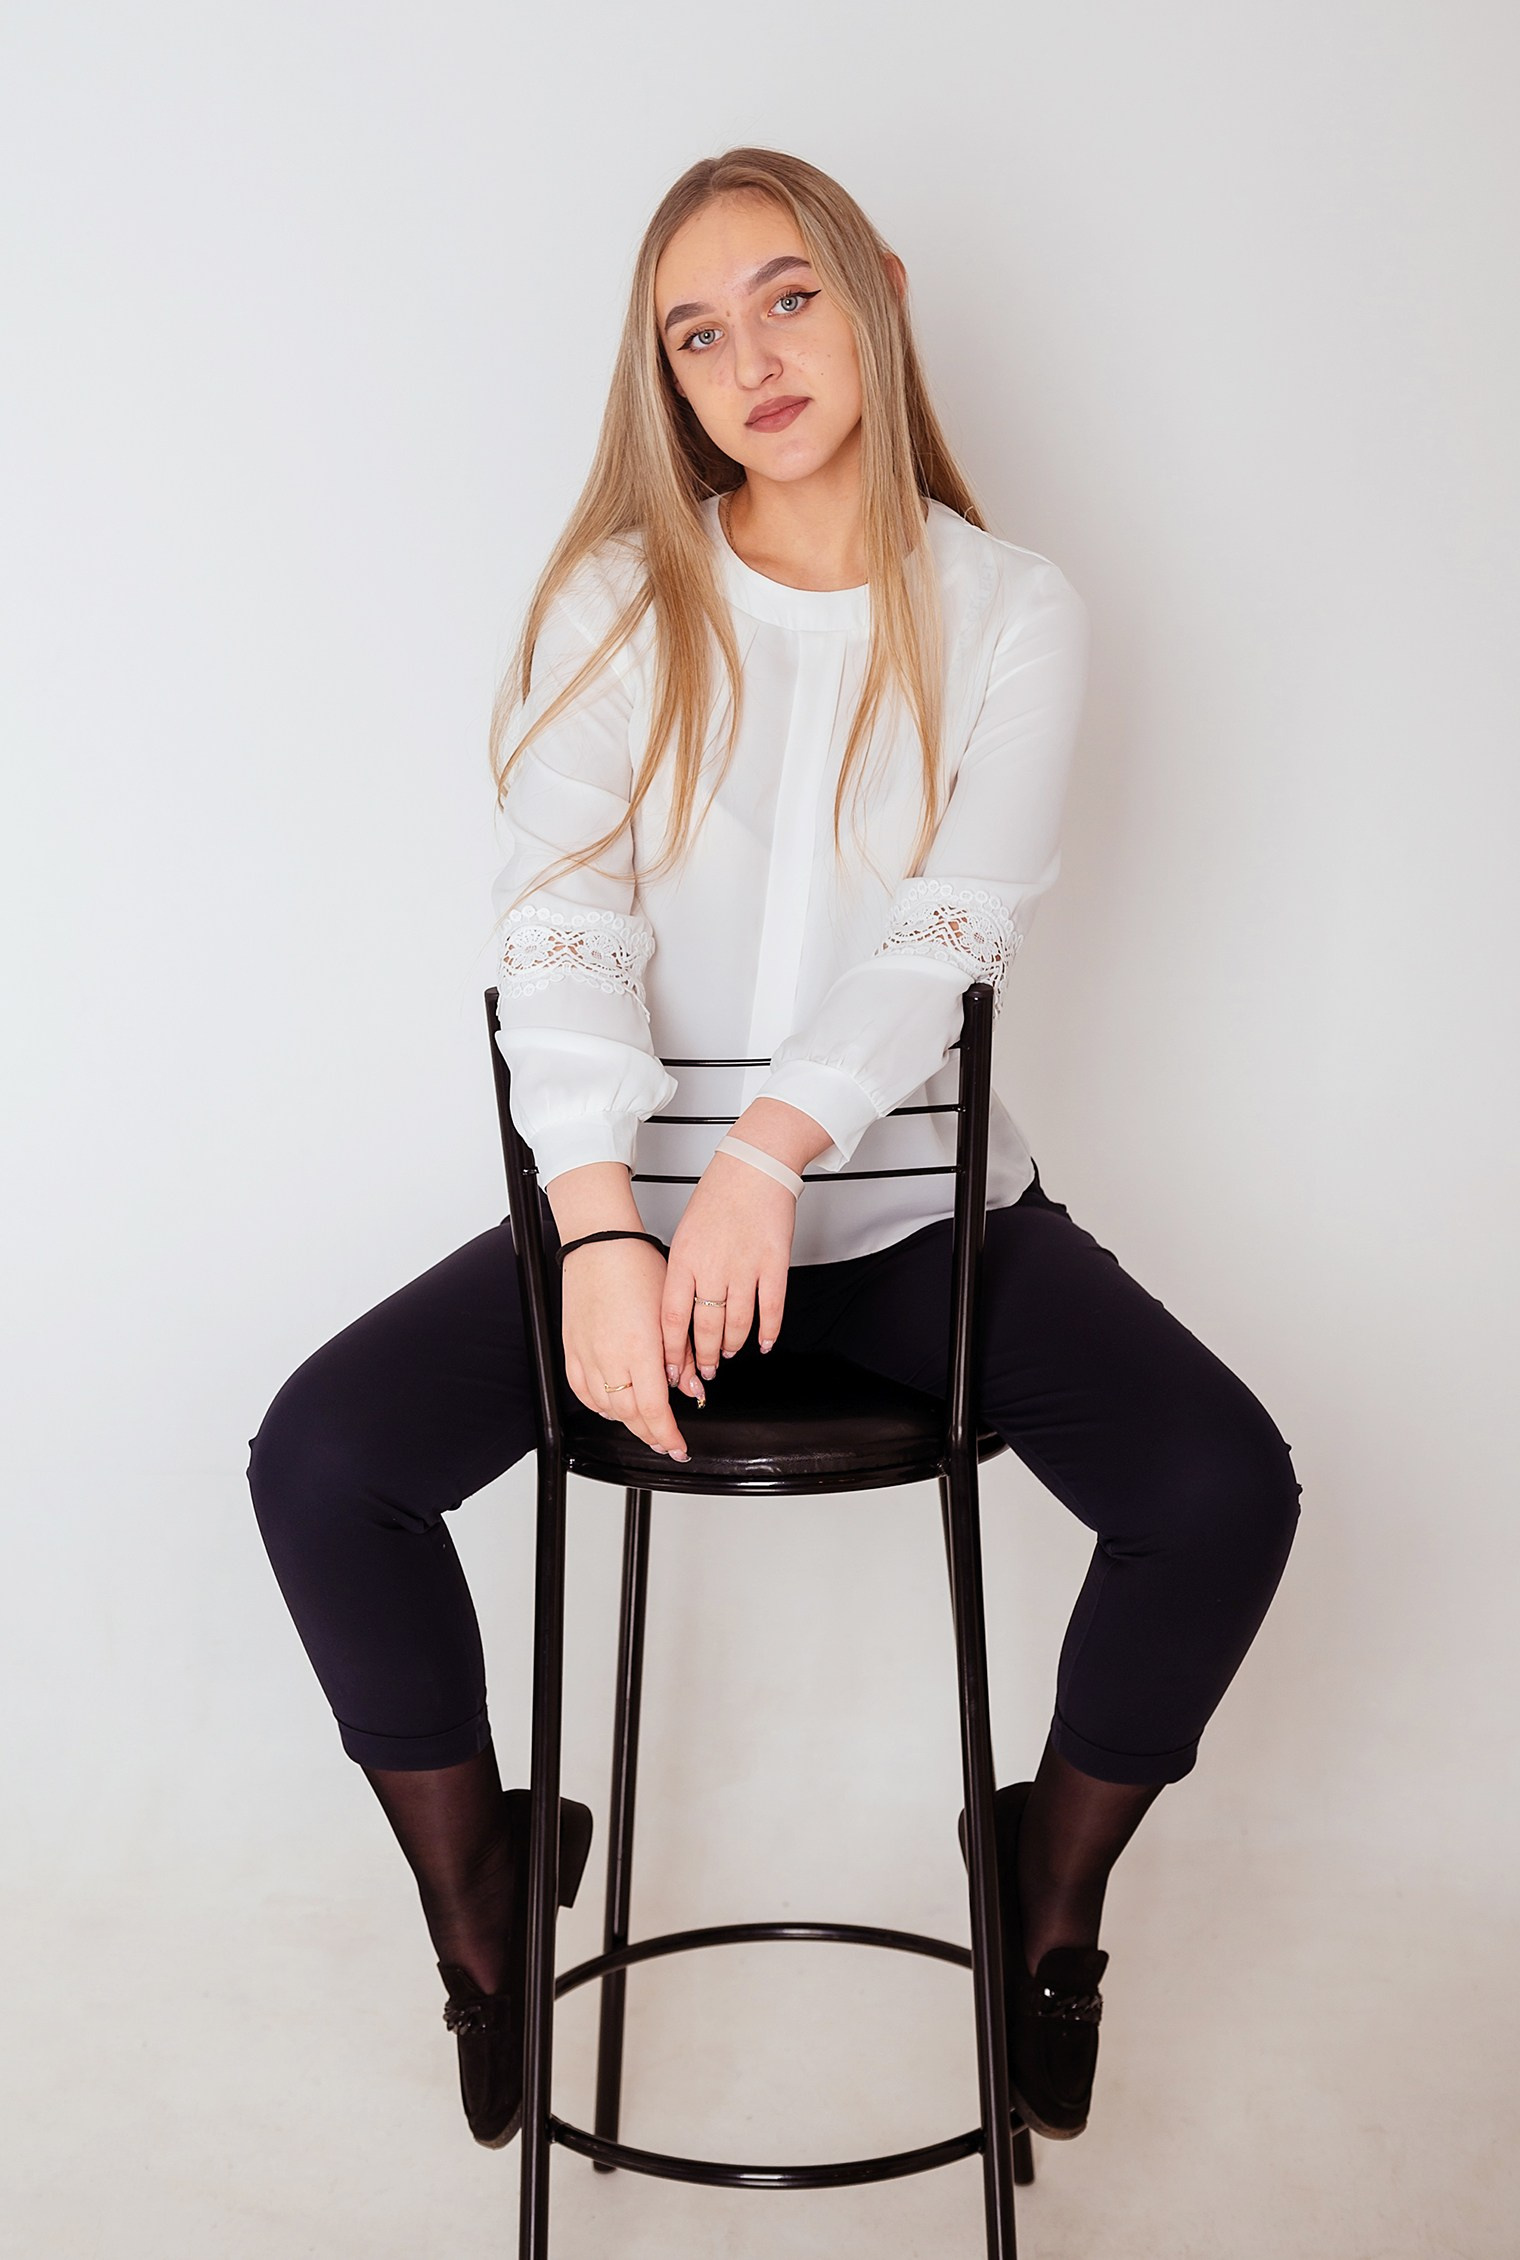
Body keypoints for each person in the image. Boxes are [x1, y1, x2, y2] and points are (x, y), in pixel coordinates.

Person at [249, 146, 1302, 2155]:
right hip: (634, 1237)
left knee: (1221, 1486)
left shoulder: (1011, 609)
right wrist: (598, 1232)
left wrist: (767, 1158)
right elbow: (559, 930)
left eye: (789, 296)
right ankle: (480, 1888)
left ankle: (1046, 1874)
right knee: (323, 1460)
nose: (753, 359)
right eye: (697, 335)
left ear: (879, 288)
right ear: (667, 379)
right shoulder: (614, 599)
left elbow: (951, 931)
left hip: (919, 1227)